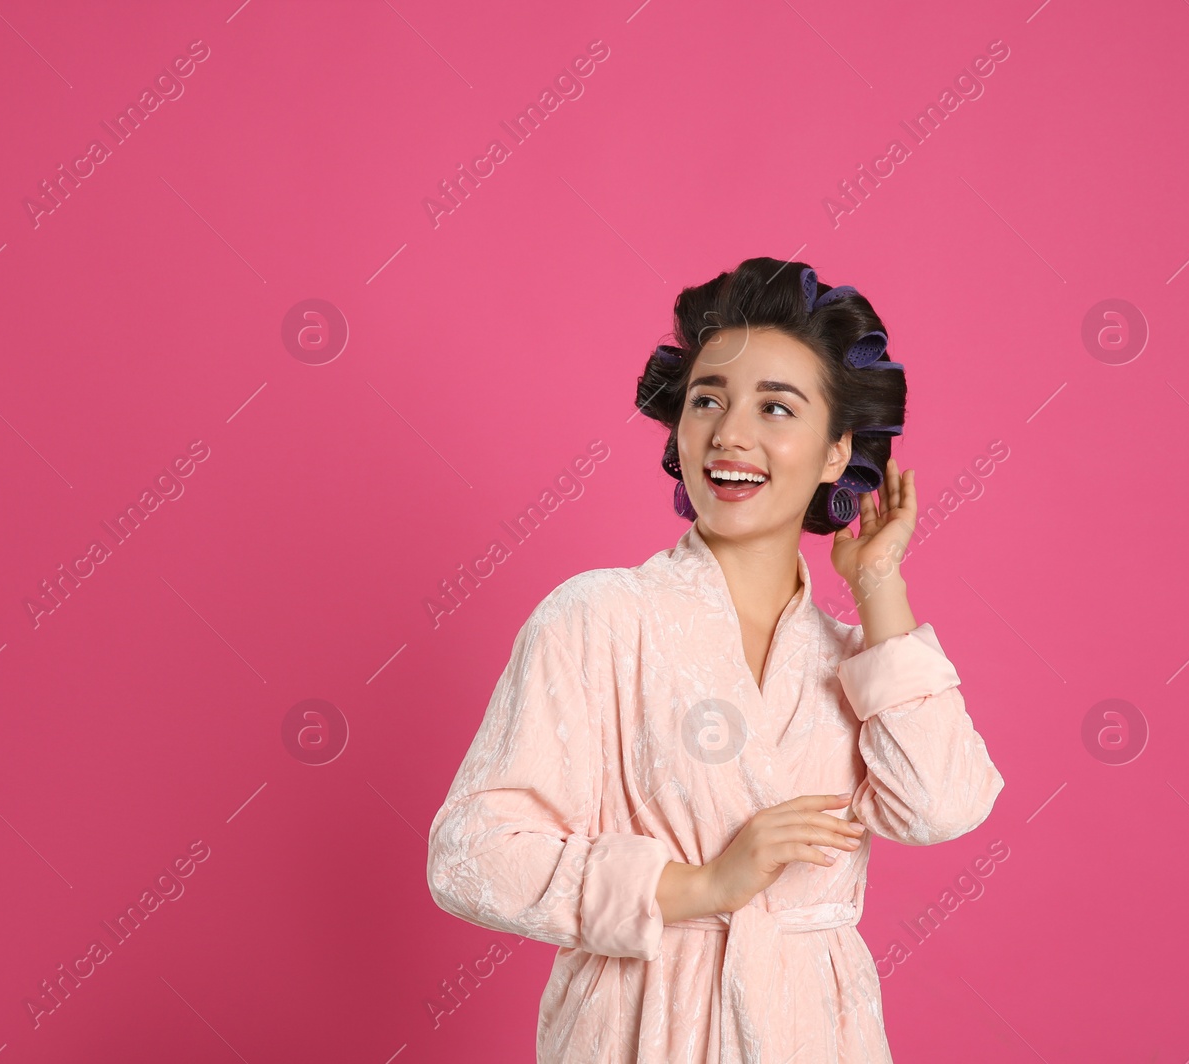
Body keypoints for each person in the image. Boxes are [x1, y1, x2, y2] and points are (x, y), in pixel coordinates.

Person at [425, 257, 1005, 1063]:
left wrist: (878, 586)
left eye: (776, 407)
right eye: (708, 402)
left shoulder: (850, 662)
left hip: (817, 1033)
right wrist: (699, 887)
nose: (731, 434)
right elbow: (469, 854)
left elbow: (943, 805)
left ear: (837, 452)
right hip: (641, 1026)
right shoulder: (599, 617)